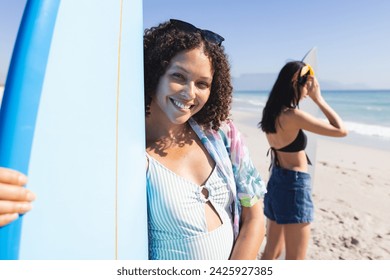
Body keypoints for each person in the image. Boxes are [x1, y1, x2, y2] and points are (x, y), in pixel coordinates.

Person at [0, 19, 267, 260]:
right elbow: (60, 191)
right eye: (178, 77)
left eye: (202, 84)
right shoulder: (120, 147)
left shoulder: (223, 135)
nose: (189, 93)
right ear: (154, 74)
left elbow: (252, 213)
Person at [259, 61, 347, 260]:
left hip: (277, 182)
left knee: (271, 252)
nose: (309, 89)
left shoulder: (271, 113)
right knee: (296, 259)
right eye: (307, 84)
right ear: (295, 83)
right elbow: (341, 130)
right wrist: (319, 99)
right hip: (294, 185)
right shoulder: (293, 115)